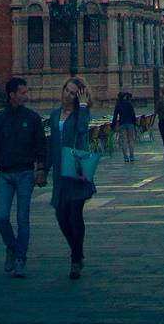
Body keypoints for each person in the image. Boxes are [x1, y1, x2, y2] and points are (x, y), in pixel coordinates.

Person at [0, 76, 48, 278]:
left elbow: (40, 146)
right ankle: (11, 246)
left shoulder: (32, 118)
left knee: (22, 218)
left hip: (25, 174)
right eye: (23, 93)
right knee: (1, 216)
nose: (26, 96)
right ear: (12, 95)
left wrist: (40, 170)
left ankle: (20, 257)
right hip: (4, 174)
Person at [48, 77, 95, 279]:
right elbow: (51, 142)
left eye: (73, 93)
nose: (68, 95)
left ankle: (76, 258)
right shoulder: (54, 114)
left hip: (76, 167)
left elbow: (83, 130)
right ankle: (77, 249)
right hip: (60, 169)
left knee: (75, 213)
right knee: (61, 216)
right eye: (67, 90)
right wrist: (43, 168)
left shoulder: (80, 114)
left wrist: (83, 106)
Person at [111, 90, 138, 163]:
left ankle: (126, 157)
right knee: (131, 140)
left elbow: (115, 117)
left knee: (124, 141)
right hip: (130, 124)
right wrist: (135, 124)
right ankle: (132, 156)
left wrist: (112, 126)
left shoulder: (118, 105)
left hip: (122, 124)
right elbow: (133, 115)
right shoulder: (129, 104)